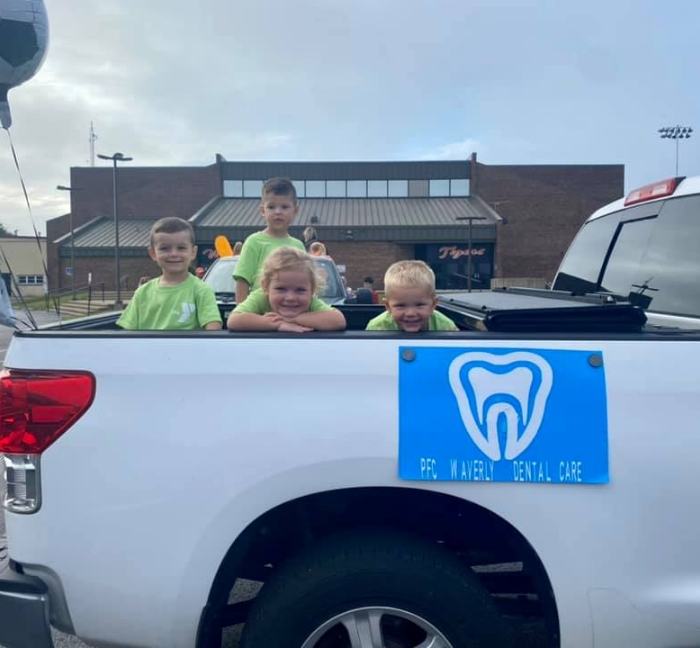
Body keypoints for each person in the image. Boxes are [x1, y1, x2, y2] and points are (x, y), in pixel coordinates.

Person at [117, 217, 222, 330]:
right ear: (153, 253)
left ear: (193, 252)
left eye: (181, 248)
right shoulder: (142, 293)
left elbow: (213, 328)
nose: (173, 254)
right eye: (164, 248)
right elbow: (128, 333)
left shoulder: (201, 290)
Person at [227, 247, 346, 333]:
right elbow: (234, 320)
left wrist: (293, 319)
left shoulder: (311, 302)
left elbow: (338, 320)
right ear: (266, 287)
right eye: (281, 289)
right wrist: (278, 324)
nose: (290, 298)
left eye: (300, 290)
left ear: (312, 291)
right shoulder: (261, 297)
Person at [234, 178, 305, 302]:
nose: (278, 212)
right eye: (271, 207)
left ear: (295, 211)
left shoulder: (298, 246)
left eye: (284, 207)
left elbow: (306, 284)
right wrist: (242, 315)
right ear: (263, 210)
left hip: (292, 312)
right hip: (260, 316)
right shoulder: (254, 242)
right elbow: (242, 282)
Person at [366, 260, 458, 332]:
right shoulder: (377, 328)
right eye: (400, 305)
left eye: (419, 305)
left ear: (433, 304)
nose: (411, 313)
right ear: (388, 306)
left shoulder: (446, 327)